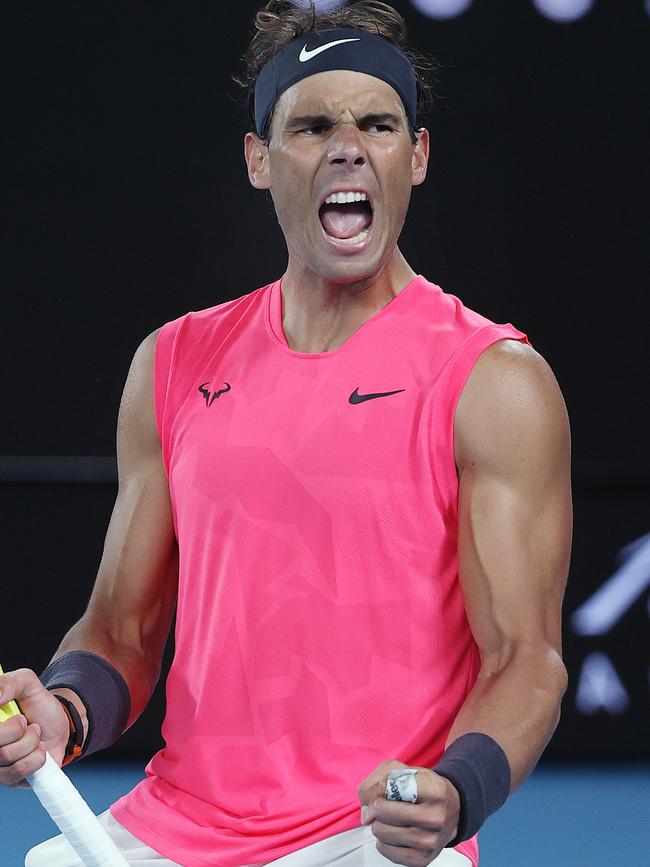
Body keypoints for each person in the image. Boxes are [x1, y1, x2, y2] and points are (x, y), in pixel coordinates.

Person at [0, 2, 572, 865]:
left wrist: (457, 792)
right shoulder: (173, 361)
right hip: (168, 825)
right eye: (311, 125)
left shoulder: (495, 382)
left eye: (378, 124)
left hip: (364, 840)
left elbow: (525, 660)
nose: (349, 145)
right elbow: (120, 632)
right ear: (259, 161)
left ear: (414, 157)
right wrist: (65, 710)